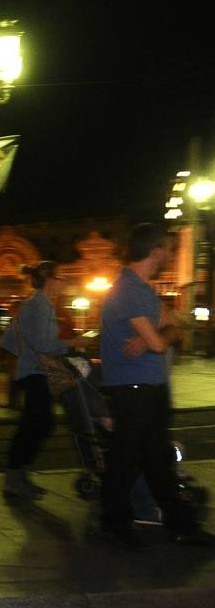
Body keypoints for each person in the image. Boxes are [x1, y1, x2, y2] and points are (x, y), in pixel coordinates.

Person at [97, 223, 211, 547]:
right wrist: (156, 339)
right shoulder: (128, 290)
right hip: (134, 388)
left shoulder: (143, 289)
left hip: (149, 386)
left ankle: (179, 524)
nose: (171, 254)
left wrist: (155, 338)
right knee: (128, 458)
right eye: (168, 248)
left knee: (156, 458)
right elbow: (161, 342)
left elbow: (175, 328)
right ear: (156, 250)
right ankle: (116, 522)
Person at [1, 262, 82, 502]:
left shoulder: (42, 304)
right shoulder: (38, 305)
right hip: (33, 372)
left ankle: (19, 476)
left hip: (37, 371)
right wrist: (73, 343)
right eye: (62, 278)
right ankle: (14, 477)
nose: (64, 282)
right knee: (37, 424)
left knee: (37, 424)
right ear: (51, 280)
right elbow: (42, 344)